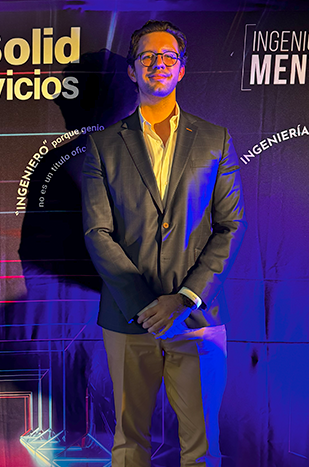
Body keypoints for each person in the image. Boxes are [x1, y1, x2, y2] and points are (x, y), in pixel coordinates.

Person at [81, 20, 246, 467]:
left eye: (168, 56)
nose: (158, 63)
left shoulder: (215, 140)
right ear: (132, 70)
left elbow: (230, 225)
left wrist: (184, 298)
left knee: (202, 448)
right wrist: (144, 305)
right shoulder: (102, 145)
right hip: (127, 318)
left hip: (197, 318)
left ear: (182, 68)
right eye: (148, 56)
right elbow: (97, 232)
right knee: (129, 445)